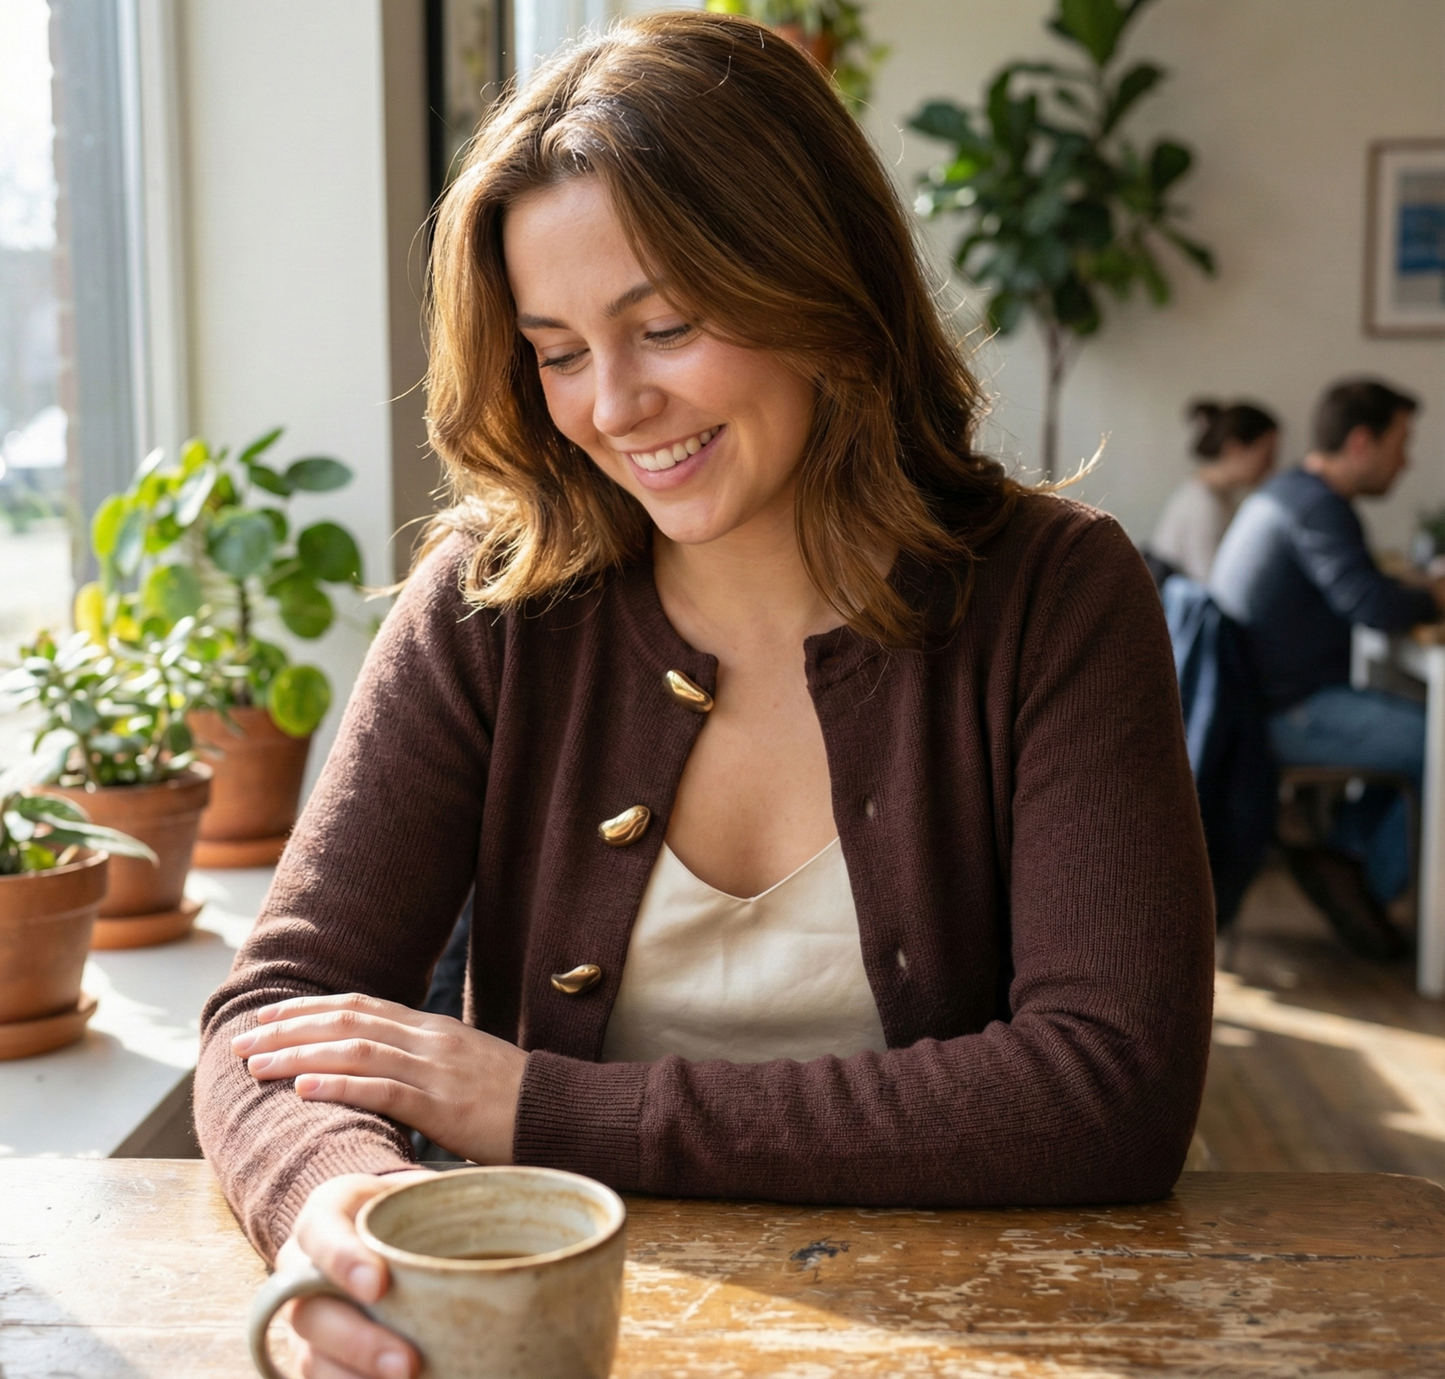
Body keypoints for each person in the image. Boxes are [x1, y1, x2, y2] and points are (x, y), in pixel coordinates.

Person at [195, 14, 1214, 1379]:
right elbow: (280, 1009)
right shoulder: (492, 601)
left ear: (820, 283)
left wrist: (543, 1106)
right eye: (556, 350)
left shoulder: (1055, 593)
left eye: (664, 323)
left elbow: (1108, 1087)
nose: (613, 406)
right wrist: (330, 1203)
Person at [1210, 378, 1442, 954]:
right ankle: (1363, 878)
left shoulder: (1291, 492)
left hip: (1261, 699)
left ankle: (1347, 860)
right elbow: (1370, 604)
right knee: (1440, 739)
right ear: (1362, 442)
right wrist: (1436, 596)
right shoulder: (1319, 506)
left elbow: (1361, 590)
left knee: (1421, 726)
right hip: (1285, 712)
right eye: (1401, 442)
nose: (1407, 461)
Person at [1148, 400, 1279, 584]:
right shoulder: (1202, 504)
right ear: (1235, 450)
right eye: (1267, 455)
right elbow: (1212, 583)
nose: (1271, 466)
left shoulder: (1221, 497)